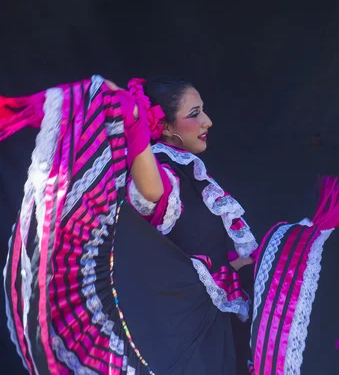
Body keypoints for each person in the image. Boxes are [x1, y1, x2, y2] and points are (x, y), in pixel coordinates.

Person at [2, 75, 257, 374]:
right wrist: (134, 122)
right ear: (165, 126)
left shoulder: (191, 174)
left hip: (208, 334)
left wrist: (243, 266)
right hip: (182, 337)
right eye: (194, 114)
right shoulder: (163, 169)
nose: (207, 121)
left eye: (202, 111)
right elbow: (152, 192)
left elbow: (198, 254)